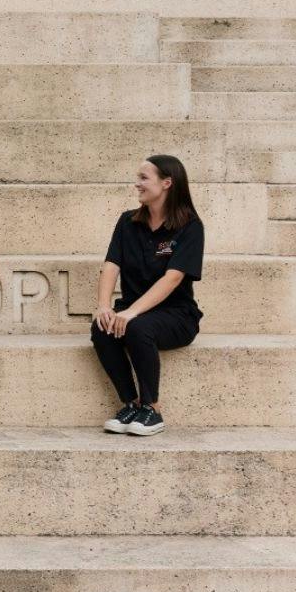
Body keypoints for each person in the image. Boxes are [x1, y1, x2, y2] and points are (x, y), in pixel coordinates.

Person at [91, 155, 205, 437]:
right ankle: (130, 404)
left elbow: (173, 278)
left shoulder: (190, 226)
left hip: (177, 315)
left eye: (144, 178)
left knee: (137, 327)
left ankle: (151, 409)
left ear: (167, 183)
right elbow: (110, 266)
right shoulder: (127, 222)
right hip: (133, 309)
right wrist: (105, 307)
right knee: (101, 328)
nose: (137, 184)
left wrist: (131, 313)